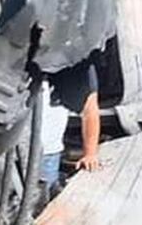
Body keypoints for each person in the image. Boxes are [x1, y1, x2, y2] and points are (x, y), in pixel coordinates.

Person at [40, 61, 102, 200]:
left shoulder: (76, 62)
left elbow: (90, 109)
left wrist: (90, 154)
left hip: (48, 153)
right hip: (9, 151)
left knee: (40, 207)